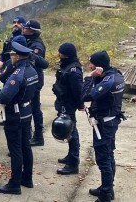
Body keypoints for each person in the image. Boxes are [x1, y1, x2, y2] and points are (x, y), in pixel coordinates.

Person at [0, 41, 38, 195]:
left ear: (17, 56)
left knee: (16, 150)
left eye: (12, 54)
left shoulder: (17, 75)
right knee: (26, 147)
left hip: (15, 115)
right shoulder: (31, 70)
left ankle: (14, 184)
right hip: (26, 112)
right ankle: (27, 178)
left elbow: (4, 96)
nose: (10, 57)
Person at [82, 51, 125, 202]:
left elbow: (85, 95)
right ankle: (108, 188)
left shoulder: (107, 81)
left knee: (103, 158)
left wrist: (90, 77)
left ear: (98, 66)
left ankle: (106, 194)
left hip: (104, 124)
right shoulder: (116, 74)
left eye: (91, 63)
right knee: (109, 154)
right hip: (112, 120)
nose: (89, 66)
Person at [53, 43, 84, 175]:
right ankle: (70, 156)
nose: (59, 54)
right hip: (63, 102)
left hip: (68, 104)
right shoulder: (66, 65)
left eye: (60, 52)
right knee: (70, 131)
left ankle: (73, 162)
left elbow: (78, 91)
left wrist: (80, 104)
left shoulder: (74, 71)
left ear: (65, 54)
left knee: (70, 130)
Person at [22, 20, 47, 146]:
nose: (23, 29)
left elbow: (37, 62)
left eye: (26, 28)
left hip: (34, 80)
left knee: (35, 108)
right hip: (32, 79)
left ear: (31, 31)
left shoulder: (37, 45)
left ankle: (38, 136)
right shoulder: (29, 41)